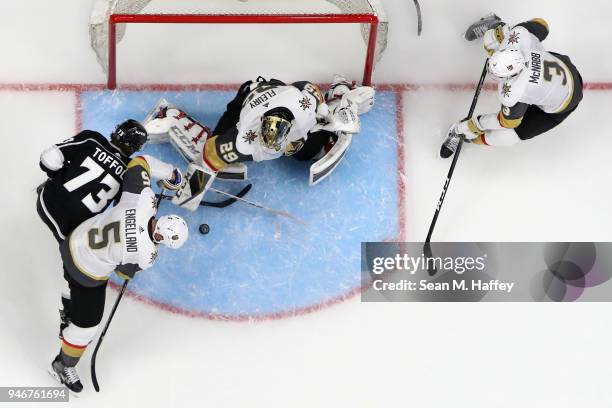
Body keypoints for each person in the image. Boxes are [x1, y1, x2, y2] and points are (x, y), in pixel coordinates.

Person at [48, 154, 188, 393]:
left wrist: (171, 174)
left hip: (71, 241)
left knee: (74, 281)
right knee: (88, 325)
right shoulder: (147, 255)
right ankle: (62, 364)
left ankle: (67, 313)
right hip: (86, 271)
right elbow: (124, 273)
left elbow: (139, 162)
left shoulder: (143, 200)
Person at [440, 16, 584, 158]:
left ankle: (465, 136)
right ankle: (496, 25)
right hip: (565, 69)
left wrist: (473, 126)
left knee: (508, 136)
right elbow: (543, 25)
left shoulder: (517, 91)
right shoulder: (522, 38)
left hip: (562, 104)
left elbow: (506, 122)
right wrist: (506, 32)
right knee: (492, 40)